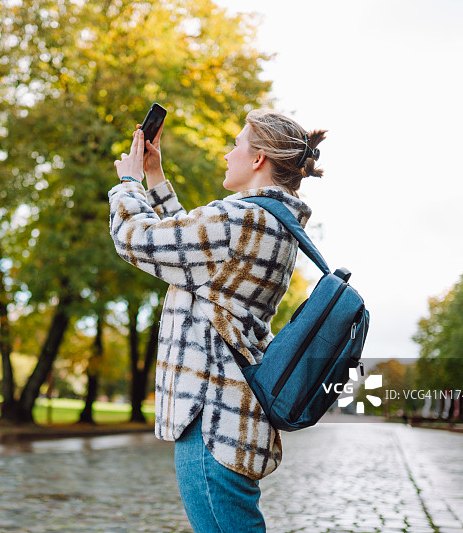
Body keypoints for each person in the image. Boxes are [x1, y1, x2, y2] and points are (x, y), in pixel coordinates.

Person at [109, 108, 326, 532]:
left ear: (259, 158)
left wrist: (129, 184)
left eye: (236, 144)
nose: (228, 154)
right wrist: (156, 180)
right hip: (233, 411)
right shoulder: (270, 222)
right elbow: (199, 257)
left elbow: (138, 239)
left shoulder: (239, 219)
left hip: (209, 415)